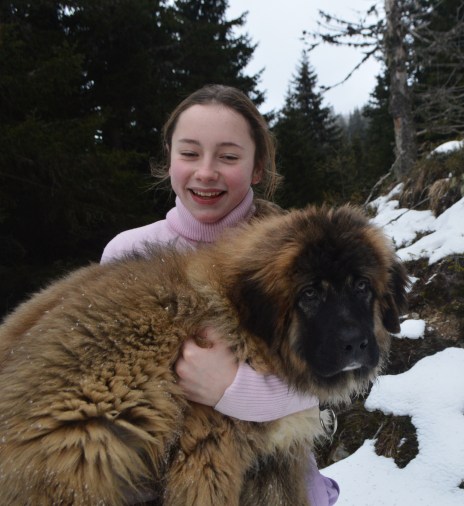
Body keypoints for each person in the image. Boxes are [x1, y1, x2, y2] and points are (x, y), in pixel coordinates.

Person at [101, 84, 339, 505]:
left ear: (257, 168)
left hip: (275, 485)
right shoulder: (127, 252)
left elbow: (334, 371)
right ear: (169, 159)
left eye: (228, 157)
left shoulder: (297, 254)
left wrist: (233, 389)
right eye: (190, 153)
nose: (206, 172)